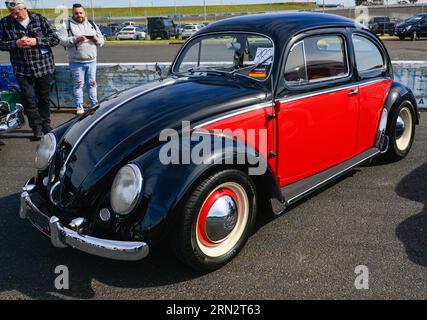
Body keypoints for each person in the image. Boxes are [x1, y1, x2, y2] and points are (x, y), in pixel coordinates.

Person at [0, 0, 59, 140]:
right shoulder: (4, 23)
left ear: (24, 8)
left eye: (17, 13)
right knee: (28, 99)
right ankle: (36, 128)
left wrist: (36, 41)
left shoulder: (39, 19)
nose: (14, 16)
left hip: (43, 66)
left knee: (44, 98)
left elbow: (54, 39)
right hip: (22, 68)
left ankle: (46, 124)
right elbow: (1, 43)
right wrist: (16, 43)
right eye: (12, 13)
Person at [57, 3, 104, 115]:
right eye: (76, 13)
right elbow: (60, 40)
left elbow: (102, 41)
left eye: (81, 12)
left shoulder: (91, 23)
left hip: (92, 60)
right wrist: (75, 39)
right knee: (78, 84)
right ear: (72, 13)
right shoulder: (66, 25)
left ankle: (94, 104)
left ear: (84, 12)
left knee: (92, 83)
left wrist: (95, 39)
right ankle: (79, 105)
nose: (79, 15)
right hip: (76, 62)